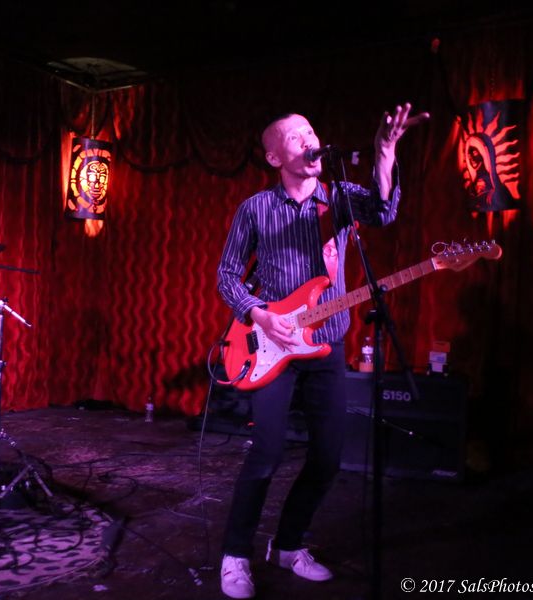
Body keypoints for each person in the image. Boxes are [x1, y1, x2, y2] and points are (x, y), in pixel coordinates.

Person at [216, 104, 428, 599]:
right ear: (275, 157)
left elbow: (384, 211)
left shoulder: (339, 198)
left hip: (327, 342)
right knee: (266, 452)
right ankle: (235, 553)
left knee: (329, 457)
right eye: (296, 137)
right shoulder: (255, 209)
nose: (310, 140)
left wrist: (385, 151)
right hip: (273, 345)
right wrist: (260, 315)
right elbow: (227, 275)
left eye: (311, 131)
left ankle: (289, 545)